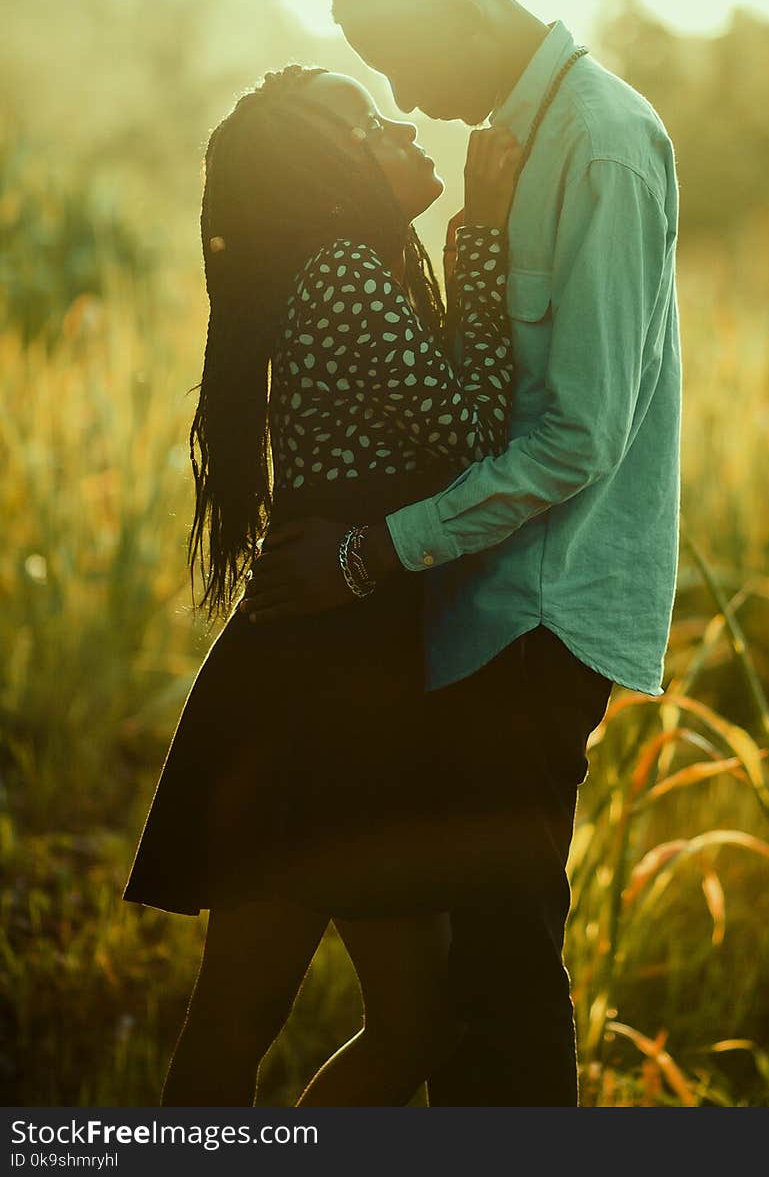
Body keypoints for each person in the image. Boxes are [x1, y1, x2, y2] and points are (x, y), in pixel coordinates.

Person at [241, 0, 682, 1106]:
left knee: (501, 978)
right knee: (460, 991)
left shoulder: (595, 145)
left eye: (397, 49)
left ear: (465, 1)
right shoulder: (513, 148)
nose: (400, 90)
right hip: (473, 609)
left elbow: (574, 437)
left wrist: (374, 553)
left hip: (534, 612)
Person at [121, 59, 529, 1105]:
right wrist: (480, 230)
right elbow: (480, 432)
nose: (403, 127)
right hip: (329, 688)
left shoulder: (353, 268)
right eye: (371, 121)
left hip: (322, 674)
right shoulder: (345, 271)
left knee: (248, 1015)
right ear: (329, 169)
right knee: (407, 1016)